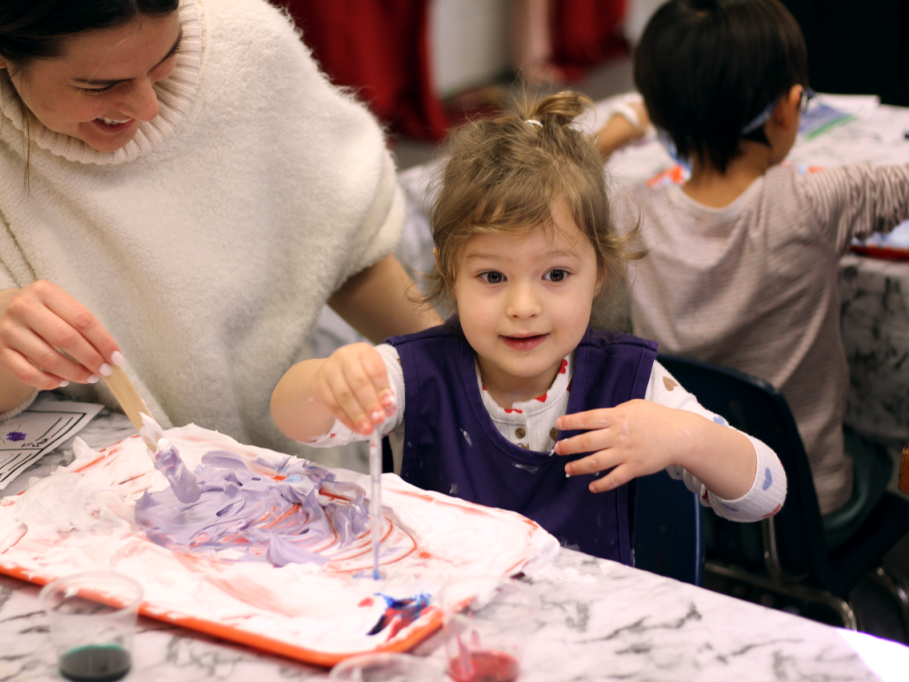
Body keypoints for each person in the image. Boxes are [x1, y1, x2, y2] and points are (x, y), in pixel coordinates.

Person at [0, 0, 440, 453]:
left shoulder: (245, 44)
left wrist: (459, 373)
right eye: (100, 86)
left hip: (274, 454)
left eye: (166, 58)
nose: (148, 107)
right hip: (74, 489)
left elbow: (345, 246)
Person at [271, 91, 787, 562]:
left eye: (556, 275)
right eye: (492, 276)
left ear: (598, 274)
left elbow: (767, 496)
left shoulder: (631, 383)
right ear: (452, 274)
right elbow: (295, 420)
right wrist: (328, 382)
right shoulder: (414, 373)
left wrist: (684, 436)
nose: (523, 306)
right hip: (447, 637)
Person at [616, 0, 909, 540]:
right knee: (886, 447)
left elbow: (552, 165)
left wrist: (622, 124)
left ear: (660, 117)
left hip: (683, 498)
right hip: (807, 501)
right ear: (787, 109)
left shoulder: (628, 212)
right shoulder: (817, 200)